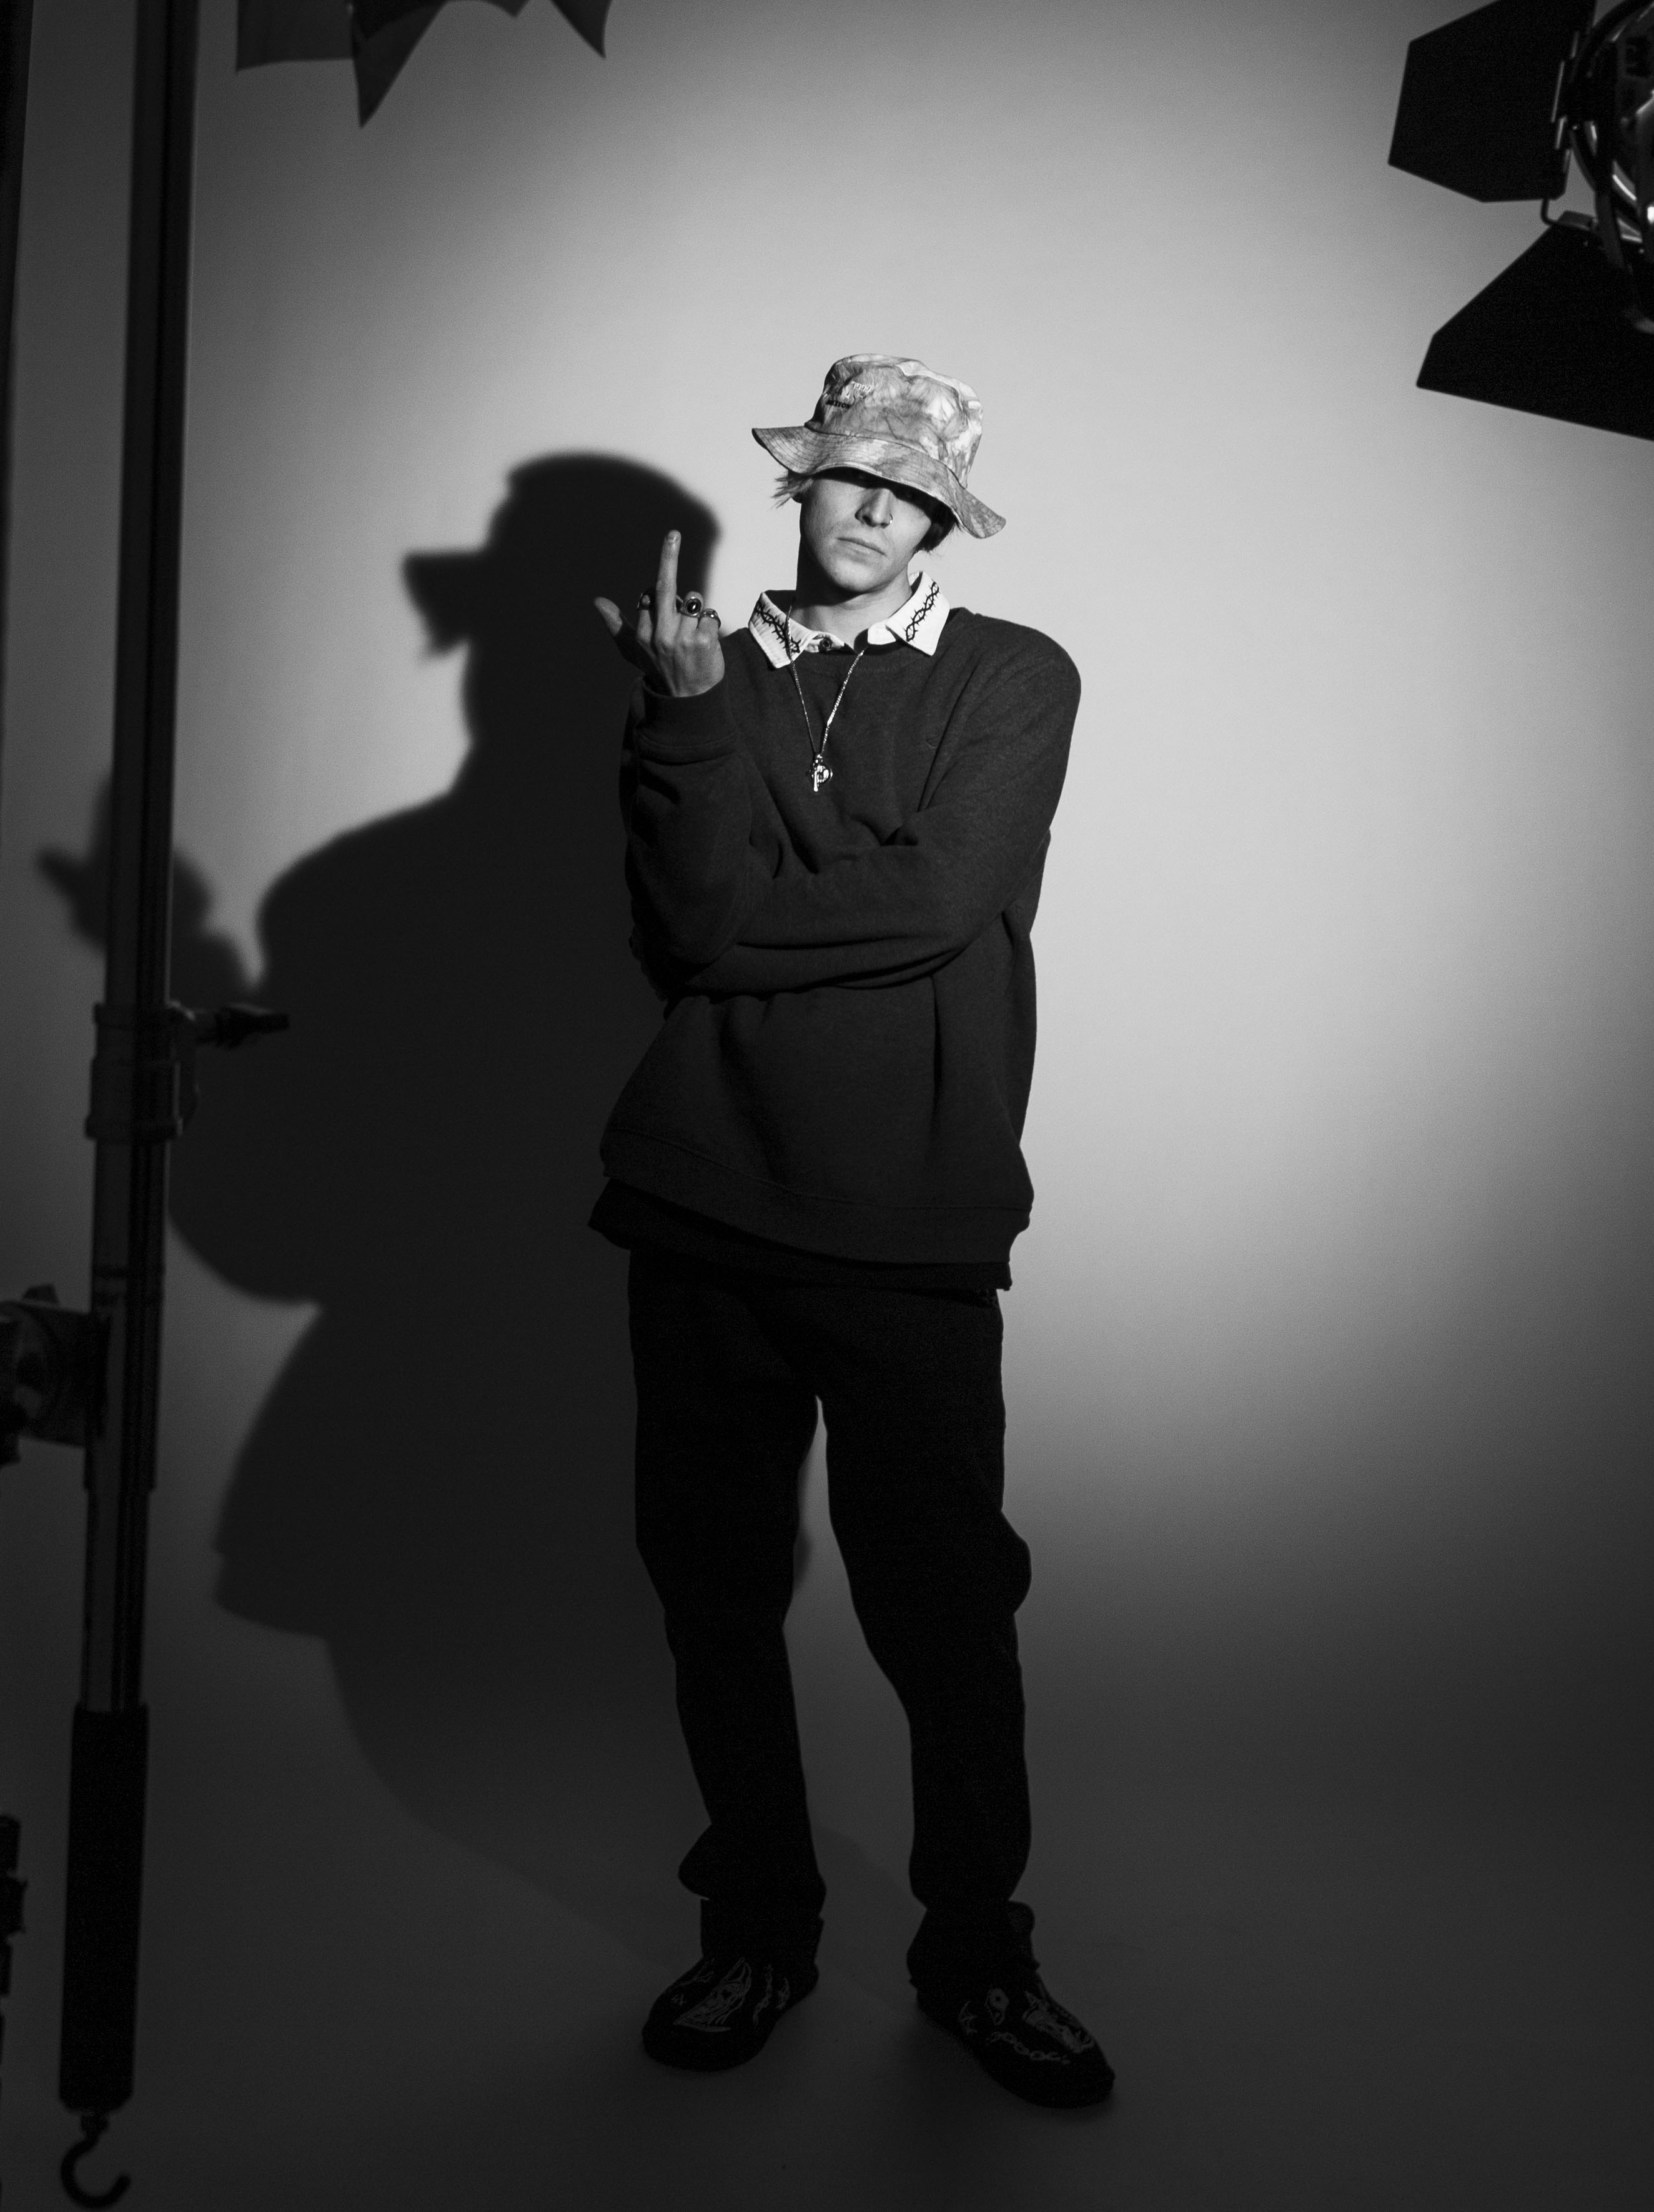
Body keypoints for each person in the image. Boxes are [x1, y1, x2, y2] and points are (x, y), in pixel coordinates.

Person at [588, 354, 1110, 2110]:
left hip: (909, 1212)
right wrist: (682, 726)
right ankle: (757, 1926)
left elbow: (942, 898)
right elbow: (677, 921)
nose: (872, 508)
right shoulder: (704, 677)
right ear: (798, 487)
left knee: (945, 1608)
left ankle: (978, 1955)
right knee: (714, 1592)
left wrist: (748, 921)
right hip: (702, 1194)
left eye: (909, 490)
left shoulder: (1013, 674)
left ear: (939, 518)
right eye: (847, 476)